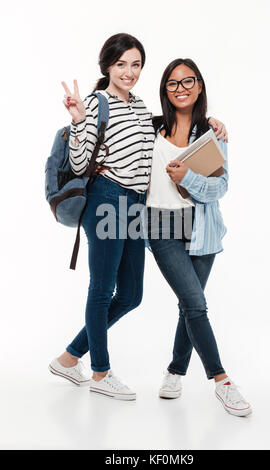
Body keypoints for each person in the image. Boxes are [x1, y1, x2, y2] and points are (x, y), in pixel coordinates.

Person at [49, 33, 227, 401]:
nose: (129, 72)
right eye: (121, 64)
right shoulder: (97, 102)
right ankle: (100, 372)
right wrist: (80, 121)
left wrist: (211, 120)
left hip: (135, 204)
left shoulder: (139, 104)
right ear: (107, 67)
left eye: (135, 64)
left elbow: (169, 126)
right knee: (102, 289)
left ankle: (69, 358)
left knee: (130, 294)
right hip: (107, 198)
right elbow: (82, 163)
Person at [146, 58, 252, 417]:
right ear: (165, 91)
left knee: (188, 306)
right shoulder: (151, 128)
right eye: (173, 84)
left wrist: (187, 178)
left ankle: (175, 372)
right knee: (196, 303)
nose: (181, 89)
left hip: (202, 230)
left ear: (200, 86)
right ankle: (222, 382)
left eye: (188, 81)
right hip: (160, 226)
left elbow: (219, 186)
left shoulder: (213, 134)